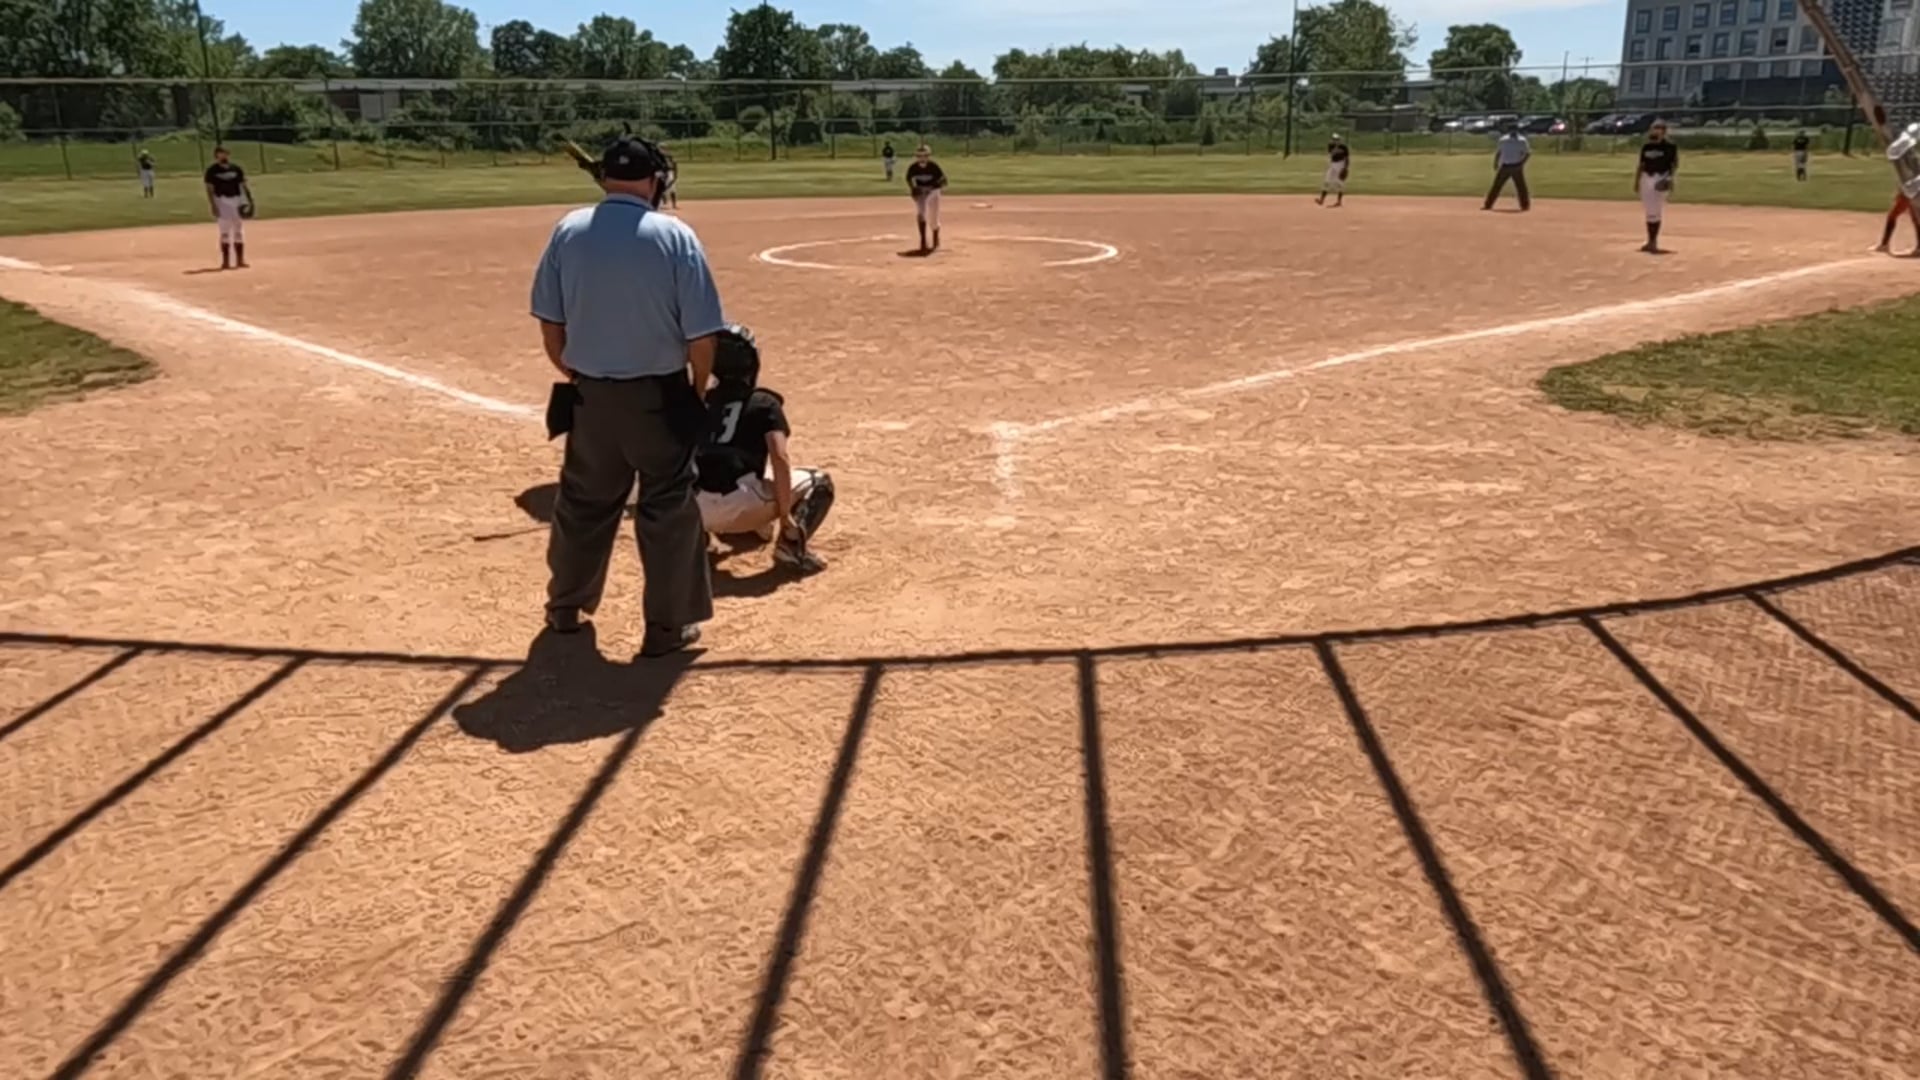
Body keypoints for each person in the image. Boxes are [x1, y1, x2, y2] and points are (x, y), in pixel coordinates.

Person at [530, 135, 724, 657]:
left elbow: (550, 324)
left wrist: (575, 374)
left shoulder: (569, 229)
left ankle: (565, 607)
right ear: (654, 180)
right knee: (667, 507)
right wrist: (695, 392)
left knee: (583, 503)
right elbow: (702, 336)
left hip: (590, 396)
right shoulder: (674, 235)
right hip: (657, 394)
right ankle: (666, 628)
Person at [696, 325, 834, 574]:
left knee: (717, 463)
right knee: (819, 481)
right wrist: (784, 515)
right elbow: (780, 458)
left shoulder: (701, 400)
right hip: (741, 504)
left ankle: (697, 540)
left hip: (694, 510)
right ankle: (790, 546)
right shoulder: (763, 402)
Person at [203, 147, 252, 270]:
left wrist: (250, 200)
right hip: (221, 201)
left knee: (238, 230)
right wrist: (213, 205)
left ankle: (240, 260)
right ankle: (225, 262)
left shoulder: (236, 169)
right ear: (216, 156)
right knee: (224, 231)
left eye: (225, 153)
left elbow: (243, 185)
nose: (223, 156)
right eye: (220, 154)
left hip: (237, 200)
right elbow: (210, 189)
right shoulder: (212, 171)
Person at [1633, 120, 1678, 254]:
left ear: (1664, 131)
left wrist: (1669, 179)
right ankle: (1650, 241)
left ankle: (1653, 241)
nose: (1655, 130)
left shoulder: (1670, 147)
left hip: (1660, 178)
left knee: (1655, 211)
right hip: (1646, 178)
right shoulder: (1647, 147)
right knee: (1649, 210)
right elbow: (1641, 165)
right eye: (1654, 128)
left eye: (1658, 128)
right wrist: (1636, 181)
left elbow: (1674, 165)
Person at [905, 144, 947, 253]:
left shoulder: (933, 166)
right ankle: (923, 241)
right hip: (921, 192)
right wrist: (912, 188)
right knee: (921, 213)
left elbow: (944, 180)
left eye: (924, 155)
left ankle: (935, 238)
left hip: (934, 192)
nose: (922, 158)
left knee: (933, 219)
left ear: (928, 156)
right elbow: (908, 178)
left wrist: (935, 185)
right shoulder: (913, 167)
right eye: (919, 156)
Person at [1484, 124, 1531, 211]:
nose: (1513, 131)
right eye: (1512, 130)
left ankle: (1525, 205)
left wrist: (1522, 163)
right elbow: (1499, 152)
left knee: (1521, 186)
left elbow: (1527, 153)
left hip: (1516, 166)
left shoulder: (1522, 141)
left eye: (1515, 130)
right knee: (1497, 186)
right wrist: (1496, 163)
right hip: (1505, 165)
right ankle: (1488, 204)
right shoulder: (1503, 140)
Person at [1315, 135, 1349, 207]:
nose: (1335, 140)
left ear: (1340, 140)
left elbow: (1347, 158)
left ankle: (1339, 201)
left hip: (1341, 164)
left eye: (1337, 139)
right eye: (1334, 139)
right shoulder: (1330, 146)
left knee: (1339, 183)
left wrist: (1345, 168)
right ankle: (1321, 200)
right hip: (1333, 165)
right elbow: (1331, 155)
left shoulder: (1344, 147)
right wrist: (1336, 147)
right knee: (1327, 181)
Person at [659, 144, 679, 210]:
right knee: (661, 189)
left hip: (670, 173)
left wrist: (675, 175)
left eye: (664, 148)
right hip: (663, 174)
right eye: (661, 148)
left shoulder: (669, 157)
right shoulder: (658, 157)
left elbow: (674, 165)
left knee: (672, 189)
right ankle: (662, 203)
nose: (662, 150)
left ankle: (674, 205)